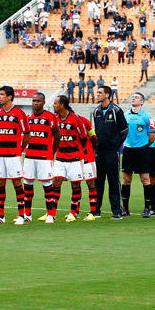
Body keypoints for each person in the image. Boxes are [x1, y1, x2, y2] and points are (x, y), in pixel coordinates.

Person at [45, 95, 88, 223]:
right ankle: (51, 214)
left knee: (75, 184)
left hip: (74, 158)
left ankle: (73, 213)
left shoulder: (75, 119)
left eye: (56, 103)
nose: (54, 105)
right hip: (60, 157)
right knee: (56, 182)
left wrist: (76, 150)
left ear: (62, 105)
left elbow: (84, 137)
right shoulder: (54, 119)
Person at [0, 85, 30, 225]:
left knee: (17, 183)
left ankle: (21, 215)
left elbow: (27, 134)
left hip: (14, 155)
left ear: (10, 97)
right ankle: (1, 215)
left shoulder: (19, 113)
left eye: (2, 94)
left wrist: (20, 149)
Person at [92, 85, 128, 218]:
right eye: (98, 92)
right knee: (98, 181)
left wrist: (115, 145)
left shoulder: (116, 110)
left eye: (100, 92)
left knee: (113, 181)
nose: (98, 94)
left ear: (107, 95)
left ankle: (117, 211)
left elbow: (124, 130)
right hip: (99, 152)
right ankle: (96, 211)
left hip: (112, 152)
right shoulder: (96, 111)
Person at [23, 93, 59, 222]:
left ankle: (50, 214)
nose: (35, 103)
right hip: (29, 156)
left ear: (43, 102)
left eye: (38, 101)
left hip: (44, 157)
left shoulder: (50, 117)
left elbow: (57, 137)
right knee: (27, 184)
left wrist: (52, 152)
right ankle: (27, 214)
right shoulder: (28, 117)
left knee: (47, 185)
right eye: (33, 101)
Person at [121, 92, 155, 218]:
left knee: (145, 180)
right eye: (132, 97)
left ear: (142, 102)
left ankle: (147, 208)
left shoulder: (148, 117)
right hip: (128, 150)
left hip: (142, 151)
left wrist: (142, 146)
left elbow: (152, 136)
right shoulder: (125, 115)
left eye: (136, 98)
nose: (133, 98)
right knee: (126, 180)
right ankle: (125, 209)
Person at [77, 113, 99, 220]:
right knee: (75, 184)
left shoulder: (85, 121)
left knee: (91, 183)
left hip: (87, 157)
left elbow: (94, 137)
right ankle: (75, 212)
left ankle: (93, 212)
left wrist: (91, 150)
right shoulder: (60, 120)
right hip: (75, 158)